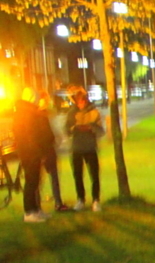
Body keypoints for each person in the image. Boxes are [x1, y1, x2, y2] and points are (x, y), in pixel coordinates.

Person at [11, 87, 55, 223]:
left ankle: (35, 210)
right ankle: (29, 212)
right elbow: (32, 136)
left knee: (34, 182)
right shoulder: (27, 114)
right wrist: (38, 151)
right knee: (31, 182)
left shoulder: (23, 112)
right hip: (30, 153)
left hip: (29, 152)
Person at [65, 88, 103, 212]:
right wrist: (74, 128)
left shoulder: (94, 112)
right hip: (76, 147)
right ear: (76, 101)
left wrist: (91, 127)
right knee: (78, 175)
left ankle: (96, 200)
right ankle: (80, 199)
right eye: (80, 100)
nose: (82, 103)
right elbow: (66, 130)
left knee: (94, 175)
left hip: (90, 147)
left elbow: (101, 130)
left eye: (84, 100)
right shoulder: (71, 113)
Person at [37, 91, 69, 213]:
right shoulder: (40, 116)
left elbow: (55, 131)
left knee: (53, 177)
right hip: (44, 150)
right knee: (41, 179)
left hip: (50, 149)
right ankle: (40, 204)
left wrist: (58, 140)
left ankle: (57, 202)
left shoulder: (49, 115)